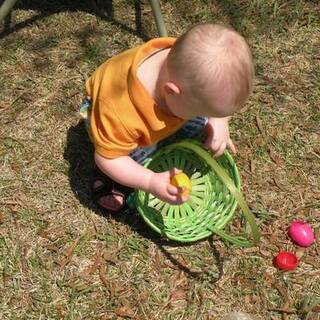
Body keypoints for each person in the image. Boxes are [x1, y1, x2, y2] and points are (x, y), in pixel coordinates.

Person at [82, 23, 254, 212]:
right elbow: (108, 157)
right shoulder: (123, 116)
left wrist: (219, 121)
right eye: (204, 111)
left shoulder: (184, 63)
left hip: (173, 103)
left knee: (200, 114)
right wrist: (150, 180)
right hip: (107, 120)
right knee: (131, 159)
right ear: (171, 92)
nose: (212, 116)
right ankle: (108, 177)